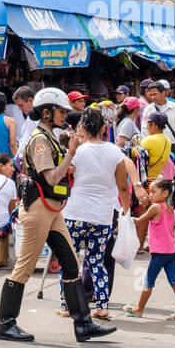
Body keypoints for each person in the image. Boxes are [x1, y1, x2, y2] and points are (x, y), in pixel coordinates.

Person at [0, 87, 115, 344]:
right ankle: (6, 324)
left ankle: (83, 324)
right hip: (39, 209)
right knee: (24, 267)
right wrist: (71, 151)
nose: (65, 116)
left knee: (71, 264)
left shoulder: (51, 136)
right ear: (47, 113)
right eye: (61, 111)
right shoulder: (40, 139)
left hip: (53, 209)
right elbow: (51, 176)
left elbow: (61, 172)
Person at [59, 106, 135, 320]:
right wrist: (125, 211)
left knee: (69, 261)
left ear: (82, 128)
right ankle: (102, 306)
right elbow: (122, 187)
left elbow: (66, 175)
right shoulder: (114, 152)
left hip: (74, 213)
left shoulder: (77, 152)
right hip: (102, 216)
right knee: (96, 262)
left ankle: (67, 305)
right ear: (103, 128)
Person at [125, 179, 175, 320]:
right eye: (150, 192)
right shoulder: (170, 209)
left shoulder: (156, 208)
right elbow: (170, 232)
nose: (150, 195)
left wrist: (125, 220)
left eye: (153, 192)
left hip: (160, 252)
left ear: (165, 193)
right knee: (174, 280)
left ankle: (139, 309)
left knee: (149, 281)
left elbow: (139, 220)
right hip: (171, 251)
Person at [139, 110, 172, 183]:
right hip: (158, 181)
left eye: (148, 123)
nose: (147, 127)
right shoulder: (168, 141)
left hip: (146, 182)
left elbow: (135, 156)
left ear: (153, 125)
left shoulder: (148, 140)